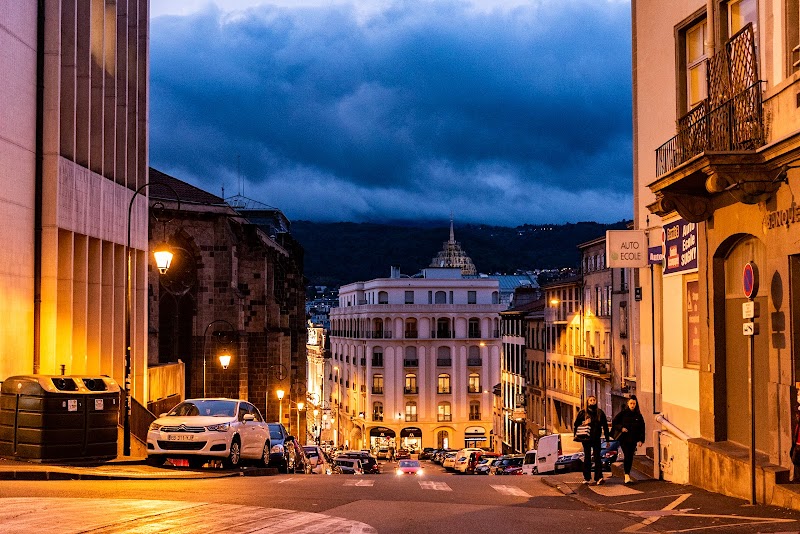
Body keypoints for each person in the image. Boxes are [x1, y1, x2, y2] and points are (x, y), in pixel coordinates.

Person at [574, 395, 610, 485]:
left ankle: (599, 477)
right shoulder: (583, 413)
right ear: (588, 402)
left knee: (597, 457)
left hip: (596, 438)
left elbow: (605, 426)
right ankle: (587, 477)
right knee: (587, 458)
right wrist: (583, 424)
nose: (593, 401)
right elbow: (576, 424)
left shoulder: (600, 413)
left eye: (594, 400)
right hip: (586, 438)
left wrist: (607, 440)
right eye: (591, 400)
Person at [611, 395, 646, 484]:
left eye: (634, 403)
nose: (632, 405)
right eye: (631, 403)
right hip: (624, 439)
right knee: (627, 455)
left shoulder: (638, 415)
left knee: (630, 457)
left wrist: (641, 440)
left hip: (633, 439)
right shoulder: (623, 413)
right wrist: (621, 428)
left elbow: (642, 428)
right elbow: (614, 423)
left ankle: (627, 474)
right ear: (628, 404)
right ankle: (626, 475)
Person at [791, 407, 800, 482]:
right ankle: (798, 477)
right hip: (797, 446)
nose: (797, 416)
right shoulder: (798, 425)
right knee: (795, 461)